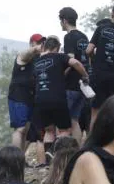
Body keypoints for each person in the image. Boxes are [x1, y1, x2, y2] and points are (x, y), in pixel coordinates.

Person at [31, 36, 89, 167]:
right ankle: (59, 158)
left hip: (40, 100)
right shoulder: (59, 56)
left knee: (49, 130)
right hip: (57, 98)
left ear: (45, 47)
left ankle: (48, 162)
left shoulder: (37, 62)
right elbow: (76, 63)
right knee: (64, 130)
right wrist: (85, 75)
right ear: (56, 48)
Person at [59, 7, 91, 144]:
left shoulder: (68, 37)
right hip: (83, 84)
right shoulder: (84, 36)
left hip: (71, 83)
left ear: (64, 20)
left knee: (65, 120)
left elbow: (71, 60)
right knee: (74, 120)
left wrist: (60, 76)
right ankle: (76, 148)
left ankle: (64, 151)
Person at [8, 35, 44, 151]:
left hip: (30, 97)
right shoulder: (23, 56)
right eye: (38, 43)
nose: (41, 45)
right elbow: (25, 54)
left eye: (43, 43)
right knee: (20, 129)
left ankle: (20, 159)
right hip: (18, 96)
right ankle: (14, 158)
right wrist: (35, 49)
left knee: (26, 130)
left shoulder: (38, 59)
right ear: (32, 43)